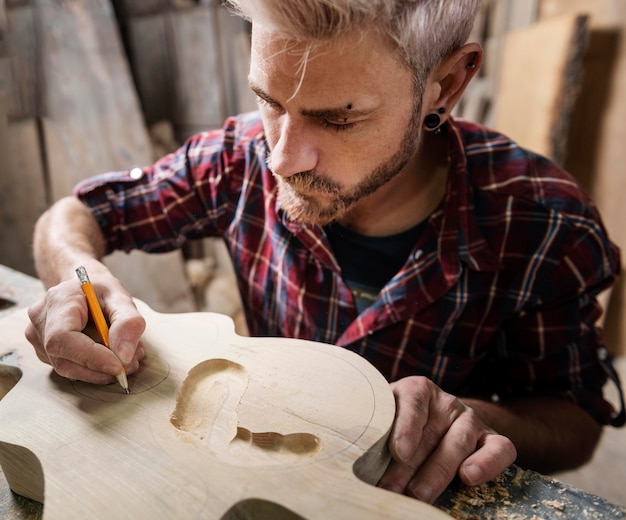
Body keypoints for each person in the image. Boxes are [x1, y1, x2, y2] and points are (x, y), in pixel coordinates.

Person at [25, 0, 624, 505]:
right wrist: (81, 279)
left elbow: (574, 424)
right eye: (270, 101)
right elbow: (74, 219)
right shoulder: (236, 160)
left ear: (447, 84)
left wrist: (477, 418)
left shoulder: (542, 218)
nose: (282, 158)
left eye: (338, 120)